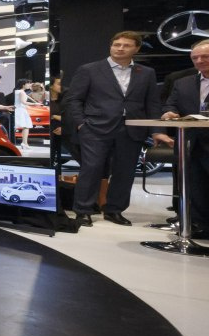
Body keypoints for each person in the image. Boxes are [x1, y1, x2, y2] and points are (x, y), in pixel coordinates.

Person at [64, 31, 173, 226]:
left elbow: (152, 104)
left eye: (126, 45)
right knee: (91, 169)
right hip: (95, 128)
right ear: (111, 46)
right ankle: (83, 210)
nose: (120, 48)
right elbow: (74, 99)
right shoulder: (90, 69)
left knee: (125, 171)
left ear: (136, 49)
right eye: (117, 44)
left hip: (132, 128)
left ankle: (114, 210)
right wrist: (81, 123)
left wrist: (157, 130)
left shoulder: (146, 72)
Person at [159, 38, 209, 239]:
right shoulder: (182, 82)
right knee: (195, 188)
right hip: (191, 144)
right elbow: (170, 104)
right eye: (195, 58)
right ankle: (200, 227)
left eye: (205, 56)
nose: (199, 61)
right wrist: (169, 112)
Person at [13, 78, 34, 150]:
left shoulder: (17, 91)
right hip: (21, 110)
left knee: (21, 126)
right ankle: (24, 143)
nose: (29, 85)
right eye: (28, 83)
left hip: (17, 110)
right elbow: (23, 102)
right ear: (23, 85)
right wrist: (35, 104)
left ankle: (24, 143)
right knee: (26, 126)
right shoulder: (21, 92)